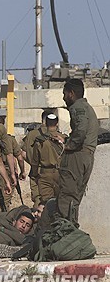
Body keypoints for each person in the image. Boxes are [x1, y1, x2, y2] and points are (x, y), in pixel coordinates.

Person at [54, 78, 98, 225]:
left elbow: (81, 129)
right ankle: (71, 232)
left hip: (77, 156)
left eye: (65, 94)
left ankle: (65, 234)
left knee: (67, 196)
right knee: (74, 199)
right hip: (86, 155)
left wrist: (69, 146)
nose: (63, 97)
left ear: (71, 94)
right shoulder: (86, 107)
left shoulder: (77, 107)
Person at [30, 114, 66, 204]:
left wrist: (34, 175)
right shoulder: (64, 139)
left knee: (46, 202)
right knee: (61, 201)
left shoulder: (40, 140)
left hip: (45, 174)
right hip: (61, 173)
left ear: (45, 123)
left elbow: (35, 161)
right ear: (57, 123)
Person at [21, 110, 51, 207]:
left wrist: (32, 162)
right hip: (51, 171)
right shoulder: (56, 134)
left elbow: (23, 153)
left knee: (38, 199)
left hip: (35, 171)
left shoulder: (32, 134)